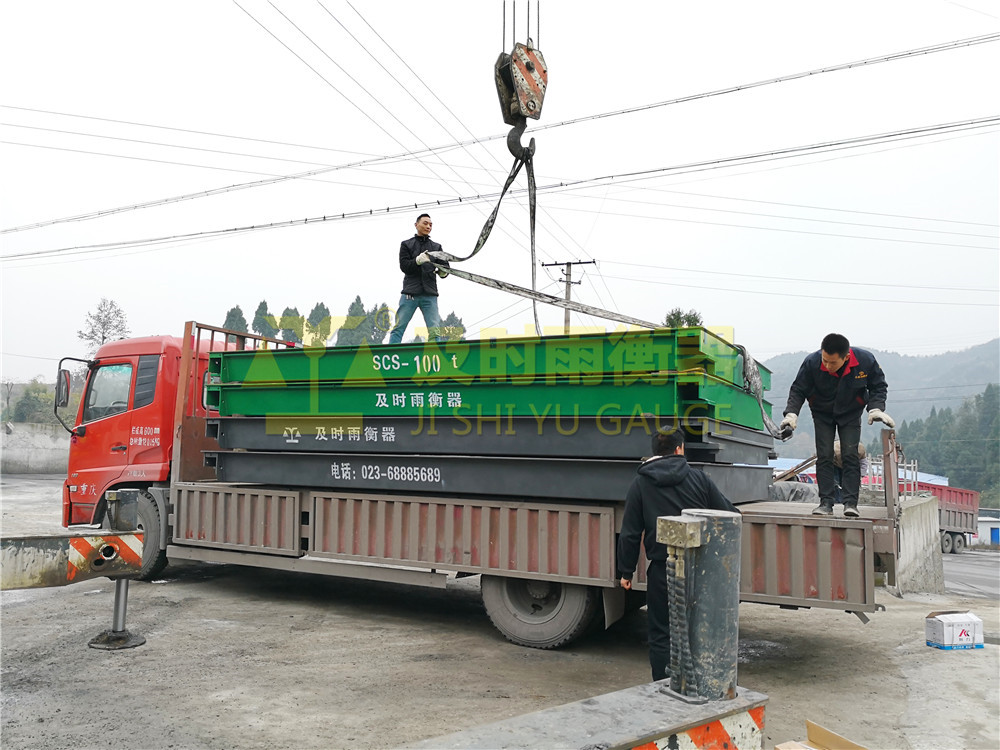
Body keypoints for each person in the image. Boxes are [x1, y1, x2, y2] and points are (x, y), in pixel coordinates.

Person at [616, 425, 739, 682]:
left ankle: (663, 687)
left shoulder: (640, 484)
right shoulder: (699, 479)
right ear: (680, 449)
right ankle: (699, 686)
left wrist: (625, 571)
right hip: (700, 572)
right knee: (699, 631)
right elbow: (729, 515)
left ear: (654, 452)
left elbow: (629, 533)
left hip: (664, 571)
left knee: (662, 634)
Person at [779, 333, 892, 518]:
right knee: (824, 456)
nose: (827, 366)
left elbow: (878, 386)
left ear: (846, 357)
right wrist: (791, 414)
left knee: (850, 454)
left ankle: (851, 504)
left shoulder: (865, 361)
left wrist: (875, 408)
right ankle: (825, 504)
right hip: (822, 412)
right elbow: (798, 389)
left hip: (851, 411)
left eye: (832, 363)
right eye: (825, 360)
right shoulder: (812, 362)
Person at [388, 213, 451, 344]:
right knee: (399, 327)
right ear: (416, 225)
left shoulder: (436, 247)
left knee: (434, 330)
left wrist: (443, 273)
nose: (428, 226)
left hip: (430, 294)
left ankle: (436, 356)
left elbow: (446, 267)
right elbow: (404, 267)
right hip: (410, 293)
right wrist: (417, 261)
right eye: (425, 223)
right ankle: (391, 353)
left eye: (431, 224)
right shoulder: (406, 244)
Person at [833, 440, 870, 507]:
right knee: (836, 483)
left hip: (850, 466)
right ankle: (837, 499)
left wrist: (860, 475)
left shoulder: (860, 451)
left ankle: (846, 500)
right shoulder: (835, 450)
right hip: (835, 464)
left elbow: (863, 463)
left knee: (848, 483)